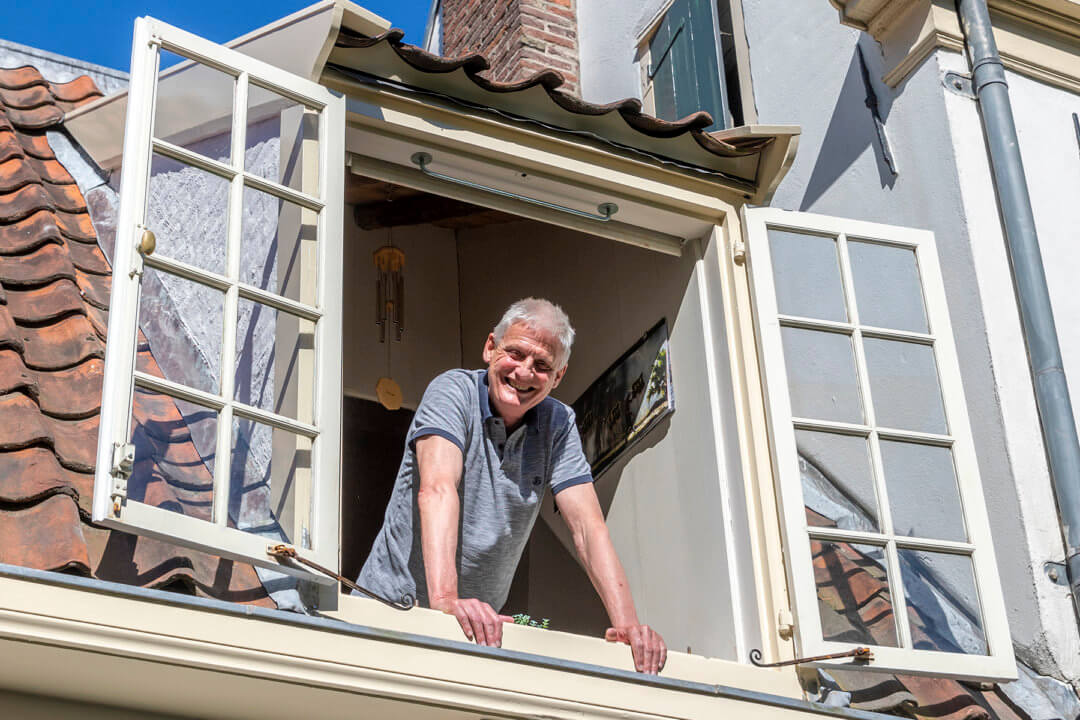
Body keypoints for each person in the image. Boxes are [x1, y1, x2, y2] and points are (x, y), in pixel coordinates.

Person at [358, 298, 667, 674]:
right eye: (515, 353)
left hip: (474, 631)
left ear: (558, 377)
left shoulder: (558, 424)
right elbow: (438, 489)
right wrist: (446, 600)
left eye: (541, 365)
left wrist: (629, 628)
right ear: (490, 348)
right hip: (390, 608)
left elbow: (588, 527)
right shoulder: (453, 392)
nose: (524, 372)